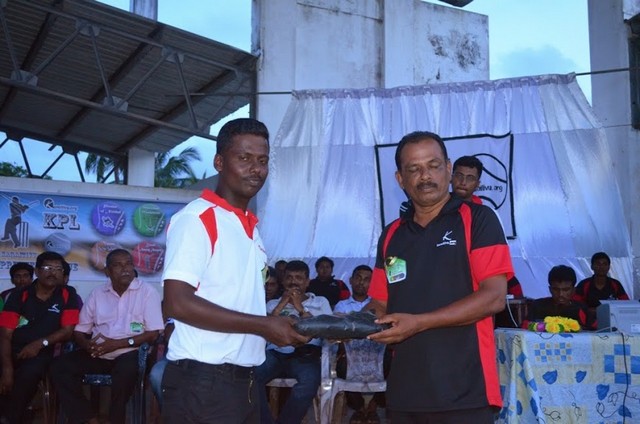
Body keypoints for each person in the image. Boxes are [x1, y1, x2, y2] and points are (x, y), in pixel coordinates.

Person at [161, 118, 309, 424]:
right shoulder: (197, 219)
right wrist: (264, 326)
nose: (256, 169)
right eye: (244, 158)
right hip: (203, 384)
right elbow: (176, 303)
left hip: (243, 382)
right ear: (219, 162)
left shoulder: (251, 230)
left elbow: (238, 304)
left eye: (262, 161)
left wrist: (280, 326)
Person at [367, 131, 513, 424]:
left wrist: (419, 323)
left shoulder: (479, 219)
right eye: (414, 169)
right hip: (403, 393)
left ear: (448, 169)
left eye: (433, 166)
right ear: (400, 179)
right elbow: (379, 305)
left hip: (465, 392)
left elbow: (494, 297)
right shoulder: (391, 234)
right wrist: (344, 325)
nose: (425, 176)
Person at [50, 248, 164, 424]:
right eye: (118, 265)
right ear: (107, 271)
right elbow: (80, 330)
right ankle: (88, 418)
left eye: (128, 264)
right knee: (59, 367)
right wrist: (86, 345)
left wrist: (117, 344)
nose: (125, 269)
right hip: (99, 352)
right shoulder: (98, 293)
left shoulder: (147, 292)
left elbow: (153, 333)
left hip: (131, 352)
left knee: (124, 375)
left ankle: (115, 420)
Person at [0, 251, 80, 424]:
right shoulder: (19, 295)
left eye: (58, 269)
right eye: (47, 268)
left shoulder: (68, 294)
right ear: (37, 271)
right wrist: (7, 368)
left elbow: (67, 331)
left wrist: (39, 343)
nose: (53, 273)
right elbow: (5, 334)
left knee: (29, 373)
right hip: (11, 349)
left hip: (44, 352)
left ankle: (11, 417)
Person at [256, 260, 332, 424]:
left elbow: (323, 329)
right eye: (289, 277)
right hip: (275, 354)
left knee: (308, 383)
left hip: (305, 356)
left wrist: (300, 308)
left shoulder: (320, 302)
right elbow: (265, 327)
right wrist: (281, 305)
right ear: (283, 281)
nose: (293, 281)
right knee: (250, 378)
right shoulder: (272, 303)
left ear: (307, 282)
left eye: (298, 278)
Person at [334, 265, 387, 424]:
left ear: (373, 284)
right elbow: (338, 331)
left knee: (393, 365)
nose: (361, 282)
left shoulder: (381, 306)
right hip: (351, 355)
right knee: (342, 367)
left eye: (366, 279)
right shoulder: (341, 305)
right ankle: (359, 408)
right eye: (358, 277)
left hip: (377, 354)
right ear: (351, 280)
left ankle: (373, 406)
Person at [525, 265, 593, 330]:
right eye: (556, 289)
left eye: (566, 290)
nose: (561, 294)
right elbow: (525, 326)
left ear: (573, 290)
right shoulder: (538, 306)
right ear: (550, 289)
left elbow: (593, 331)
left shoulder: (581, 309)